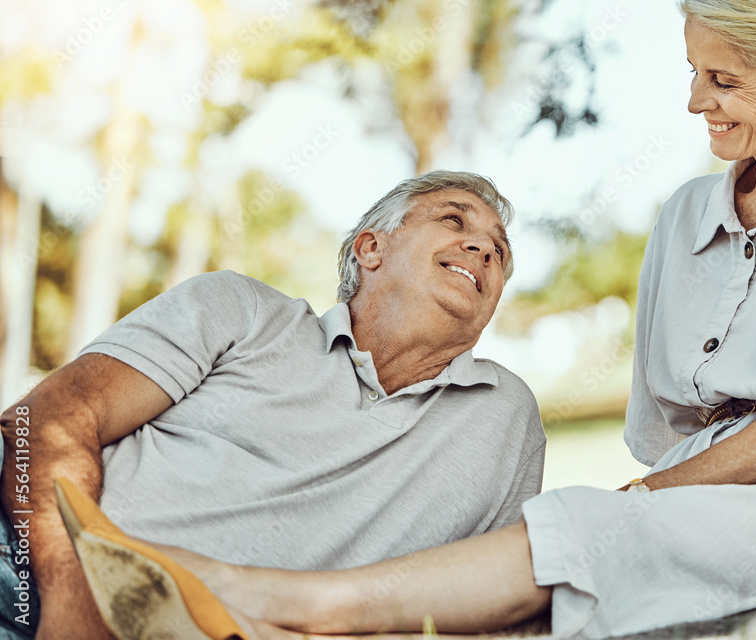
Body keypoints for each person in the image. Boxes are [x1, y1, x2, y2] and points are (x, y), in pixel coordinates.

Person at [52, 0, 756, 640]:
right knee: (592, 532)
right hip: (717, 498)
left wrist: (647, 500)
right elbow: (666, 422)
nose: (697, 102)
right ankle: (243, 596)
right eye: (694, 74)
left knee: (592, 532)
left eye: (723, 79)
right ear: (366, 248)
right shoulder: (685, 216)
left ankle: (283, 604)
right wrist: (655, 496)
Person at [0, 171, 547, 640]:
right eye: (454, 221)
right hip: (31, 563)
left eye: (500, 250)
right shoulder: (241, 309)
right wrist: (70, 589)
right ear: (372, 248)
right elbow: (40, 421)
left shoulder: (506, 417)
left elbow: (499, 596)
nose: (485, 249)